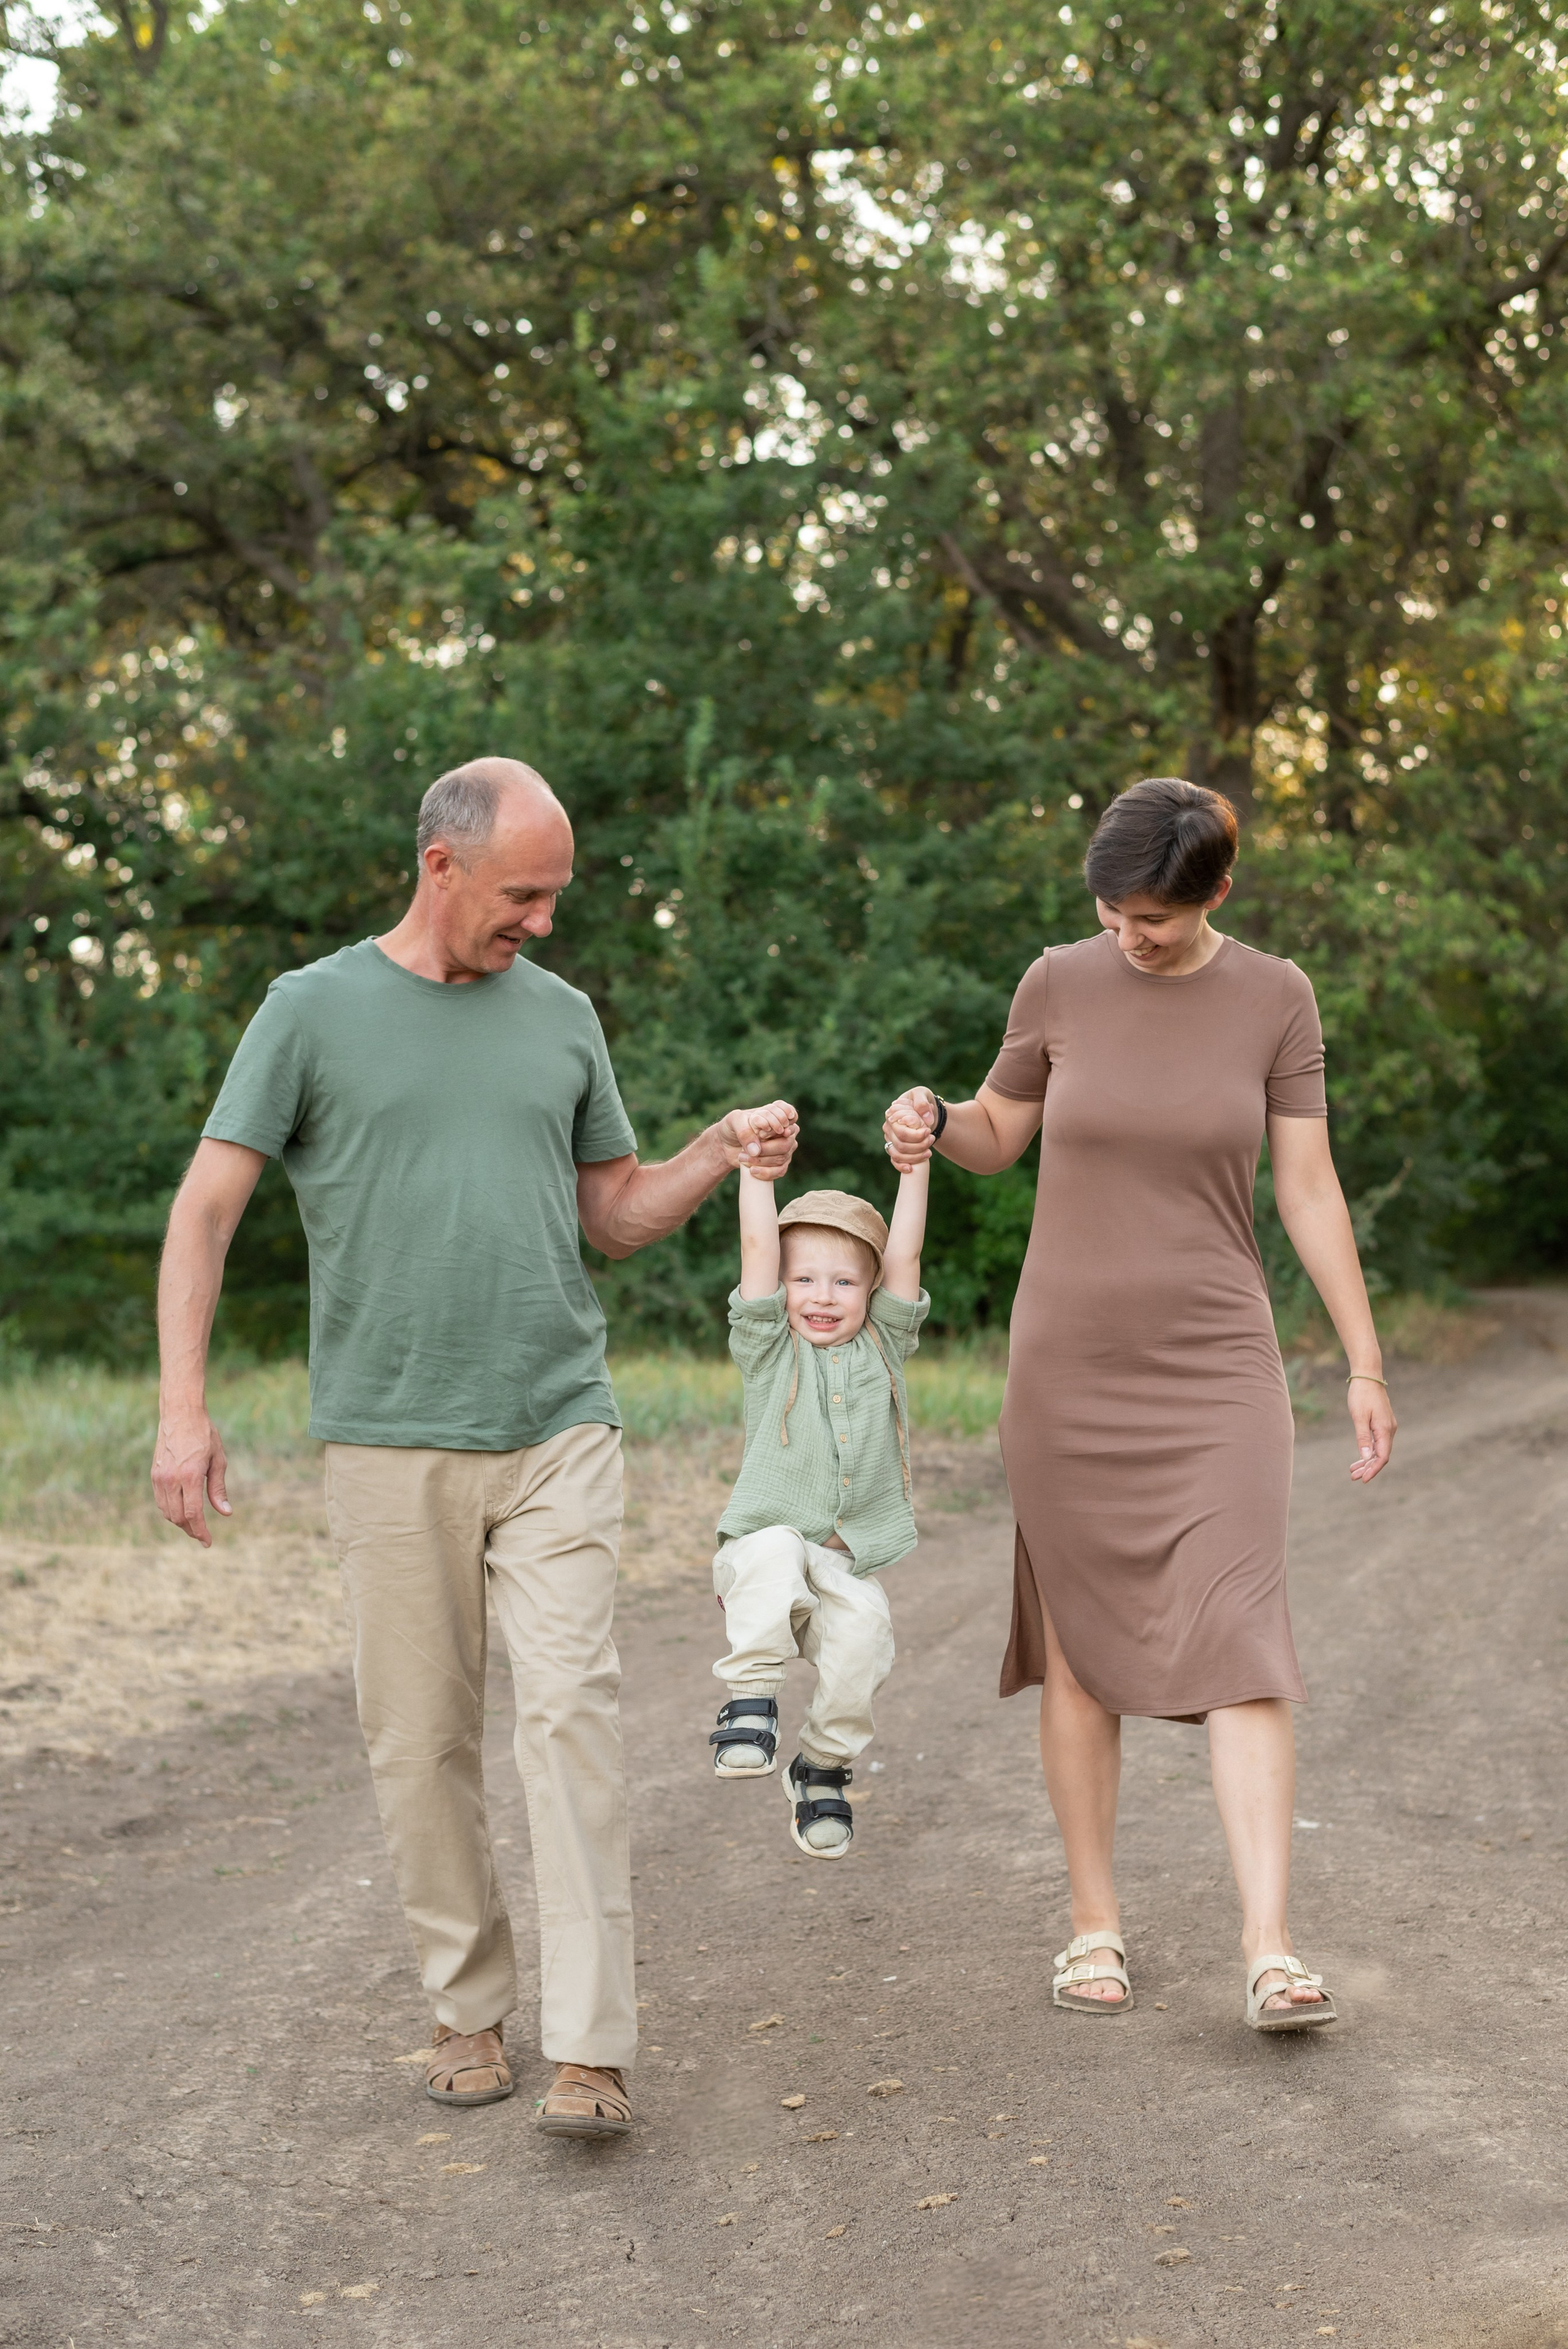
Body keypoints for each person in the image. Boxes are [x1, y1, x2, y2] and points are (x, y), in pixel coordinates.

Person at [151, 757, 798, 2134]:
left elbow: (611, 1217)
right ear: (440, 866)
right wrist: (181, 1410)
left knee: (572, 1719)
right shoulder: (309, 1012)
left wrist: (715, 1150)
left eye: (555, 896)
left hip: (558, 1422)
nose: (544, 923)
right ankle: (465, 2009)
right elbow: (207, 1210)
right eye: (525, 895)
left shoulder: (561, 1019)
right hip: (388, 1442)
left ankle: (591, 2046)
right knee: (420, 1741)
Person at [883, 776, 1396, 2032]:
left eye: (1152, 921)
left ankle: (1269, 1948)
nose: (1128, 938)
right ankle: (1091, 1928)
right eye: (1111, 917)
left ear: (1216, 890)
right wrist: (937, 1120)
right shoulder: (1056, 981)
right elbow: (1003, 1128)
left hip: (1219, 1366)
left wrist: (1362, 1359)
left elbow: (1309, 1188)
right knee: (1077, 1653)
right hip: (1066, 1371)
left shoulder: (1273, 997)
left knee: (1243, 1642)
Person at [704, 1163, 930, 1858]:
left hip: (838, 1560)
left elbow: (907, 1254)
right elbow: (754, 1249)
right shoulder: (767, 1347)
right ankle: (748, 1702)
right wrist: (755, 1171)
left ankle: (822, 1766)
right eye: (804, 1279)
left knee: (868, 1632)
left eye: (843, 1281)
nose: (822, 1296)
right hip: (761, 1554)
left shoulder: (884, 1345)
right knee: (774, 1548)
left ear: (870, 1289)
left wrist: (915, 1166)